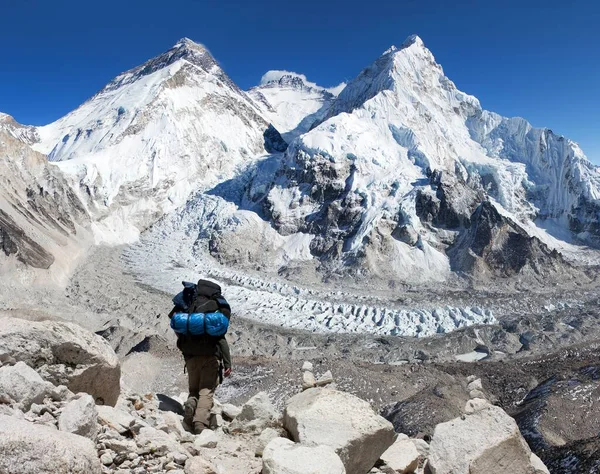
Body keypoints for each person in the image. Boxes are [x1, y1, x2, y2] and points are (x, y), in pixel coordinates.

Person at [168, 279, 232, 434]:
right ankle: (200, 425)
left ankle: (190, 405)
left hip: (190, 357)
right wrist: (227, 362)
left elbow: (177, 326)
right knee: (206, 390)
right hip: (210, 357)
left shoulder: (190, 305)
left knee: (194, 389)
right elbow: (221, 339)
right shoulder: (214, 307)